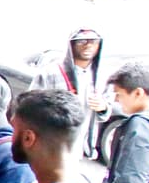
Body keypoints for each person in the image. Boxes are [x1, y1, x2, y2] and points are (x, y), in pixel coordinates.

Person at [29, 28, 109, 159]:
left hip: (78, 147)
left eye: (93, 41)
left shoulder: (102, 77)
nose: (88, 45)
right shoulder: (50, 72)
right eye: (82, 41)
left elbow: (105, 112)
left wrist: (103, 107)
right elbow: (30, 106)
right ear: (71, 44)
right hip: (50, 144)